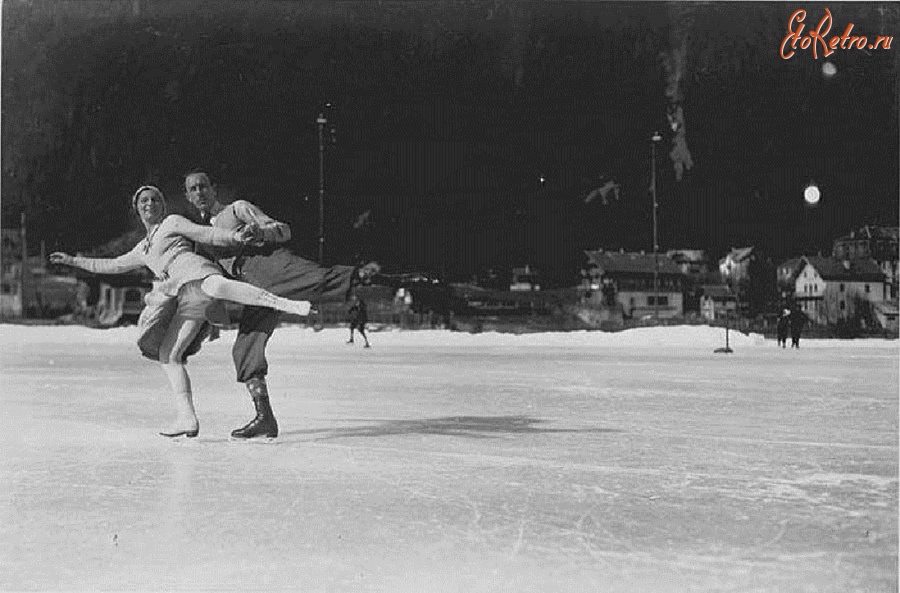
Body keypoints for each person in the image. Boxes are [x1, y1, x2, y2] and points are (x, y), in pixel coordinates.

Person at [50, 185, 313, 438]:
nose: (150, 204)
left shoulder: (172, 223)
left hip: (194, 270)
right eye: (144, 201)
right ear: (137, 210)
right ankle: (187, 418)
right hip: (184, 295)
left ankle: (285, 304)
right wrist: (74, 261)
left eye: (155, 200)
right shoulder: (142, 248)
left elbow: (206, 234)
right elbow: (113, 265)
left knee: (217, 286)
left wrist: (234, 237)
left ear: (162, 206)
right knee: (168, 354)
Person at [184, 170, 382, 439]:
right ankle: (265, 417)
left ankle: (375, 277)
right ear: (188, 197)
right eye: (193, 189)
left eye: (203, 186)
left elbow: (283, 230)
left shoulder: (237, 209)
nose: (199, 192)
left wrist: (260, 232)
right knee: (244, 349)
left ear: (214, 189)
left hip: (267, 266)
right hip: (252, 289)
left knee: (316, 280)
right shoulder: (201, 235)